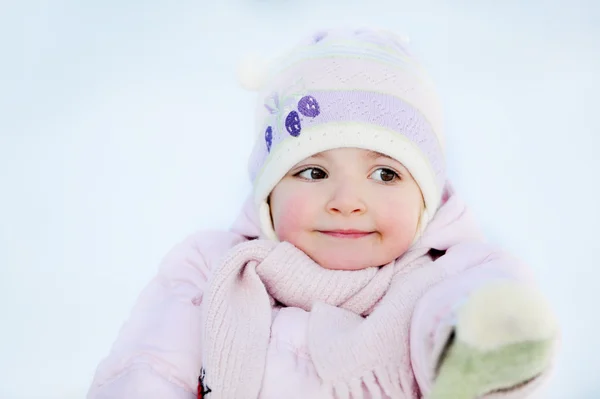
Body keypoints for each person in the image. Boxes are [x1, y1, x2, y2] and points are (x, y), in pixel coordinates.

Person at [87, 27, 559, 399]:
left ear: (427, 198)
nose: (348, 201)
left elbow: (470, 315)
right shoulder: (212, 271)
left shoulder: (447, 274)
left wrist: (481, 339)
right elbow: (147, 369)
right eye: (313, 173)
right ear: (268, 193)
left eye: (386, 175)